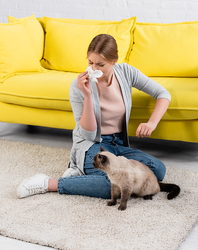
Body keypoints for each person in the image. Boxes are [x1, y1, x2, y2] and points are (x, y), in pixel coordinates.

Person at [17, 34, 171, 199]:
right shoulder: (78, 86)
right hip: (92, 144)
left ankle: (83, 175)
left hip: (118, 144)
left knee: (158, 170)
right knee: (113, 185)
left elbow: (163, 93)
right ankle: (49, 183)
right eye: (90, 63)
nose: (94, 69)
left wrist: (151, 123)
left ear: (114, 61)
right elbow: (88, 134)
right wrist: (88, 96)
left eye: (101, 64)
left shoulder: (126, 72)